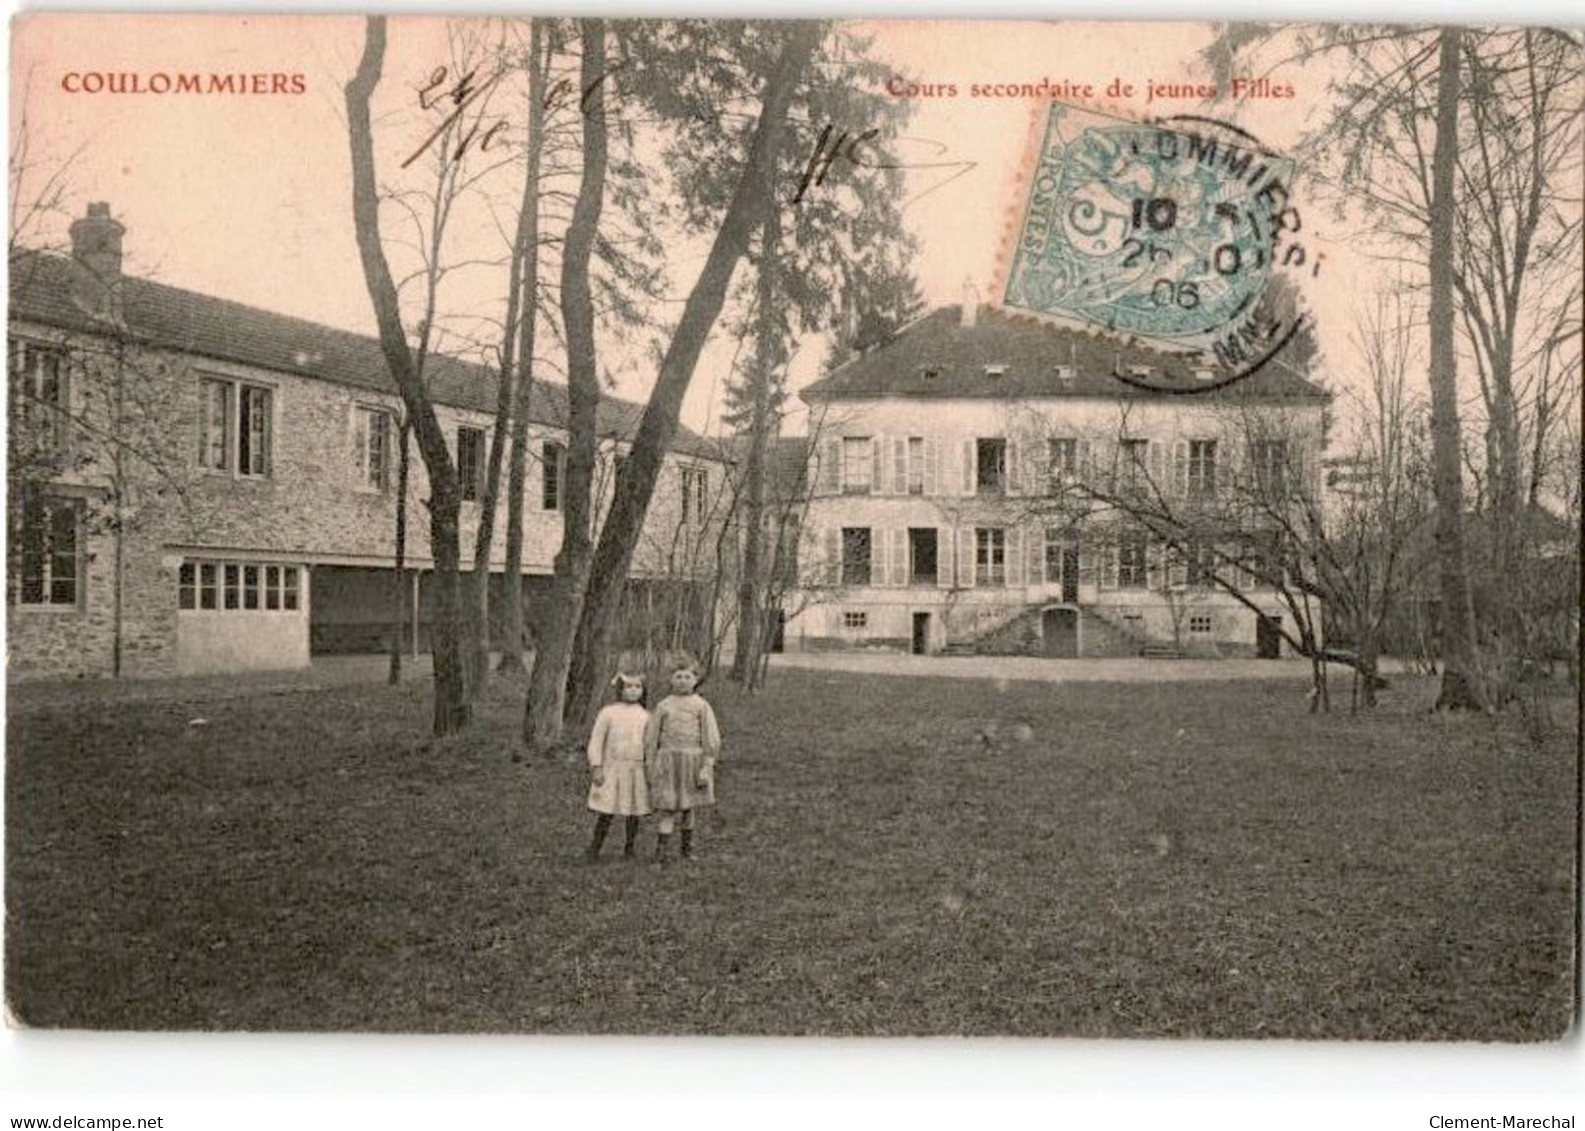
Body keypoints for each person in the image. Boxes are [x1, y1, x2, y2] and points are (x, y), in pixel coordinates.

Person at [643, 663, 721, 862]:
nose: (683, 681)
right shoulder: (664, 705)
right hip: (668, 762)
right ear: (671, 679)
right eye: (678, 676)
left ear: (695, 681)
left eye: (687, 677)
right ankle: (662, 851)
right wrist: (651, 764)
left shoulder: (701, 706)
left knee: (688, 807)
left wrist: (706, 765)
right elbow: (651, 738)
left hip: (692, 761)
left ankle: (687, 849)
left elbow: (710, 737)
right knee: (668, 807)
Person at [584, 672, 651, 862]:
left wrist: (650, 767)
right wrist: (597, 766)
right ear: (620, 689)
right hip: (612, 767)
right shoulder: (608, 712)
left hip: (635, 769)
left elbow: (649, 744)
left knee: (634, 809)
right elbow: (596, 740)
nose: (633, 691)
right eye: (628, 687)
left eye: (637, 687)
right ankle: (595, 847)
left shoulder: (646, 716)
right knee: (606, 808)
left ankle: (629, 847)